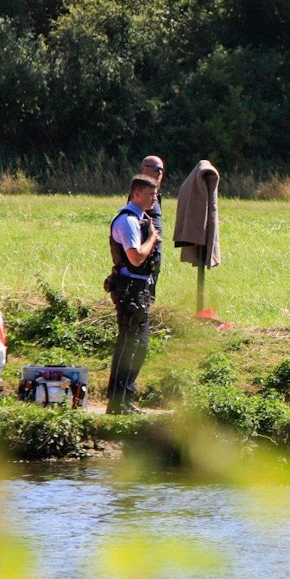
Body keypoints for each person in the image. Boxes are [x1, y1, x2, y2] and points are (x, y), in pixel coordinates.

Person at [105, 175, 161, 414]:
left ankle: (126, 398)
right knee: (128, 344)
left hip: (140, 289)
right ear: (136, 194)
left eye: (155, 194)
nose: (154, 198)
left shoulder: (141, 219)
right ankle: (116, 402)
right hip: (129, 289)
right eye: (150, 194)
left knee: (140, 345)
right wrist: (152, 239)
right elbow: (136, 257)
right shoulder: (128, 221)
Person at [139, 155, 166, 297]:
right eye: (156, 169)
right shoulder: (140, 193)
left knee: (152, 287)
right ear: (145, 169)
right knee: (144, 288)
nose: (159, 172)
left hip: (154, 248)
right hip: (145, 248)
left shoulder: (155, 194)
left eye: (161, 169)